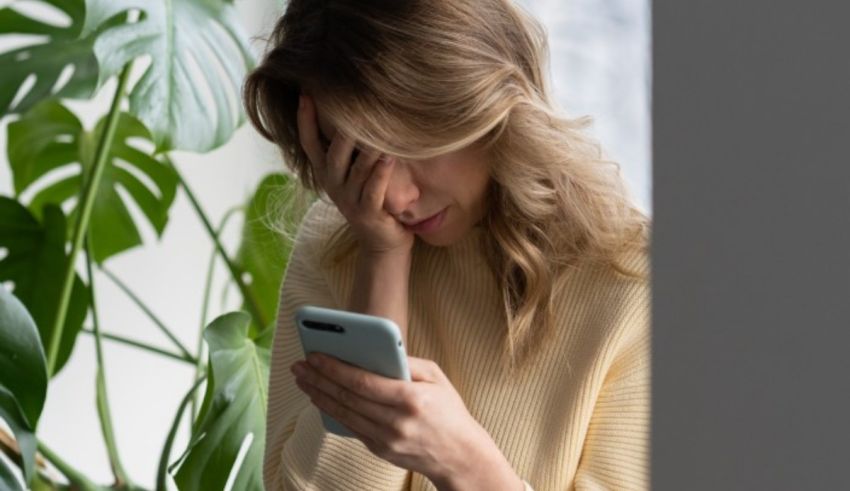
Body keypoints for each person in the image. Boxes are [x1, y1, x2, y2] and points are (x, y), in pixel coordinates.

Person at [242, 0, 651, 489]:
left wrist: (464, 464)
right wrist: (383, 261)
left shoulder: (634, 283)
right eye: (354, 155)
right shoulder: (340, 244)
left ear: (486, 107)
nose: (394, 198)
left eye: (409, 147)